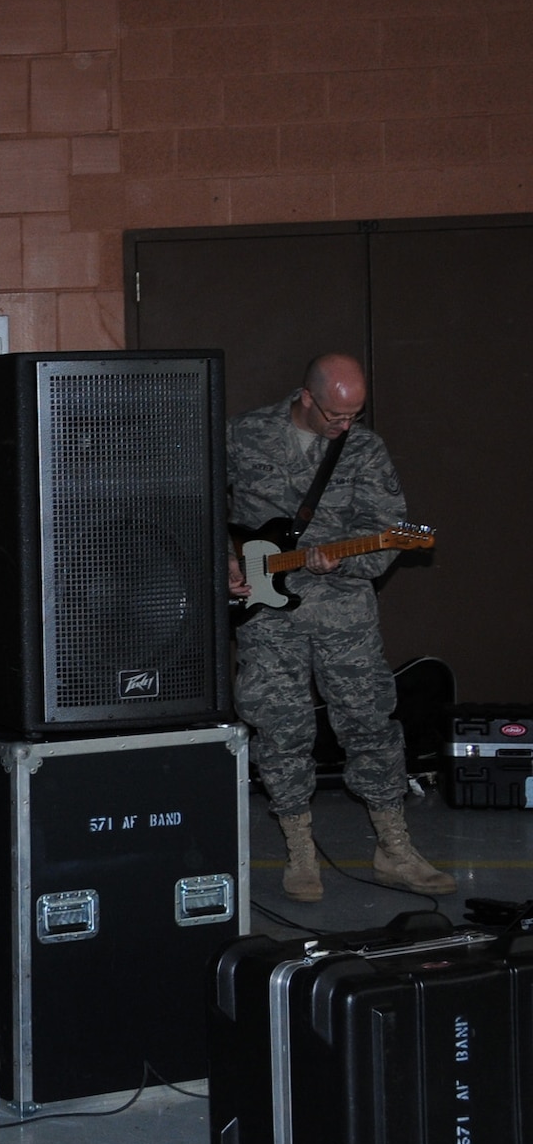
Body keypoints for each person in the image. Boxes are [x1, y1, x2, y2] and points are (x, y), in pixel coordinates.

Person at [227, 352, 453, 903]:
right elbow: (197, 506)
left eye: (353, 415)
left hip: (342, 607)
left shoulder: (365, 450)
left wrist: (345, 559)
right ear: (306, 397)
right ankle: (300, 851)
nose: (344, 425)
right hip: (265, 609)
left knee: (369, 721)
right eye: (334, 415)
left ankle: (394, 848)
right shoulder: (243, 436)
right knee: (280, 727)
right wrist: (224, 562)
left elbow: (386, 533)